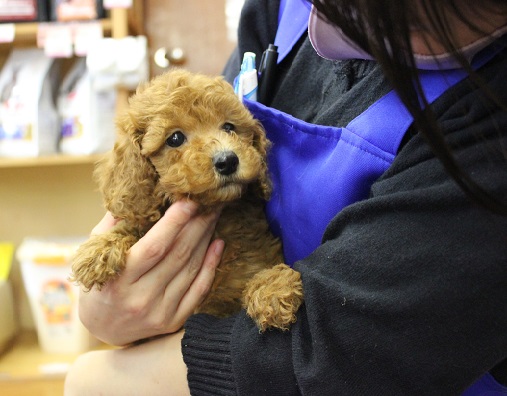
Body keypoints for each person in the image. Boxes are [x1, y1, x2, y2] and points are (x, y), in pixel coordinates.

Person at [64, 0, 507, 394]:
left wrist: (102, 378)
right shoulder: (280, 12)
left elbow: (348, 356)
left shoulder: (488, 119)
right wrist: (109, 307)